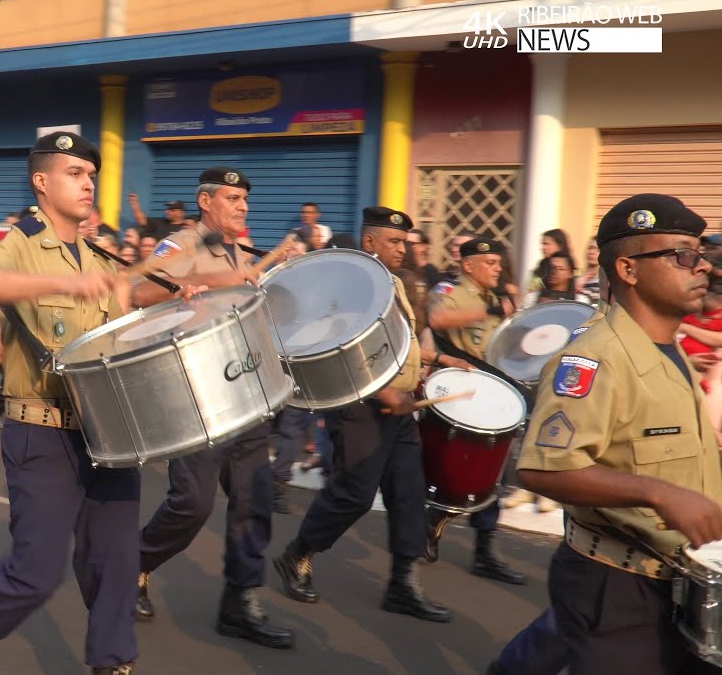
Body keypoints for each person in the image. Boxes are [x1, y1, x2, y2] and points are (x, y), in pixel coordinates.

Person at [0, 132, 141, 675]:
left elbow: (123, 332)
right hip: (42, 429)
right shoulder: (19, 239)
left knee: (115, 562)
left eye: (91, 174)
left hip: (108, 430)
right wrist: (59, 284)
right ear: (41, 181)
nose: (88, 182)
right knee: (37, 571)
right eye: (74, 172)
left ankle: (113, 663)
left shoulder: (100, 257)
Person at [516, 193, 722, 674]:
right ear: (628, 270)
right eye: (683, 256)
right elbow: (543, 467)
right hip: (617, 587)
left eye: (702, 256)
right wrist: (660, 493)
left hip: (679, 582)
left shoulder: (670, 351)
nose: (703, 269)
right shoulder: (595, 359)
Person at [272, 206, 468, 623]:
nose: (403, 249)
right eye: (394, 241)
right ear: (369, 242)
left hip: (400, 406)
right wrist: (381, 391)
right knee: (354, 494)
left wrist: (441, 357)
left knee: (408, 492)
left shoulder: (393, 283)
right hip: (361, 406)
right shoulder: (348, 286)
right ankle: (297, 555)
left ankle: (402, 584)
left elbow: (400, 343)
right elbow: (336, 345)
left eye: (405, 242)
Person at [127, 167, 293, 650]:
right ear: (205, 201)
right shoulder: (181, 246)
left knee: (253, 500)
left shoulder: (242, 250)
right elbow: (140, 293)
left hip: (246, 388)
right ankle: (135, 564)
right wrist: (190, 283)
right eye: (233, 198)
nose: (242, 206)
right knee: (192, 503)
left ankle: (240, 603)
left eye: (245, 199)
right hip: (199, 394)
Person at [424, 237, 527, 585]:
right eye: (490, 263)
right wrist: (492, 312)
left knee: (490, 472)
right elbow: (437, 318)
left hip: (494, 394)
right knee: (453, 469)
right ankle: (432, 521)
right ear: (468, 265)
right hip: (462, 394)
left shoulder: (497, 298)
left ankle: (484, 553)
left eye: (499, 263)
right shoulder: (452, 291)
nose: (497, 269)